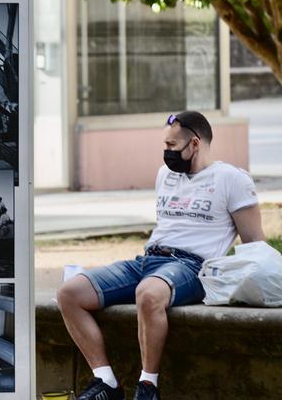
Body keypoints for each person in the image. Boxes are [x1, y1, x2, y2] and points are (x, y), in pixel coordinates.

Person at [56, 111, 265, 400]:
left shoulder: (232, 179)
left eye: (171, 146)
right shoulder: (165, 174)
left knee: (149, 294)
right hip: (148, 260)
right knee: (70, 293)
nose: (166, 153)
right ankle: (106, 383)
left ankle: (148, 387)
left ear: (194, 144)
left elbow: (255, 242)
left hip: (192, 266)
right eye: (164, 145)